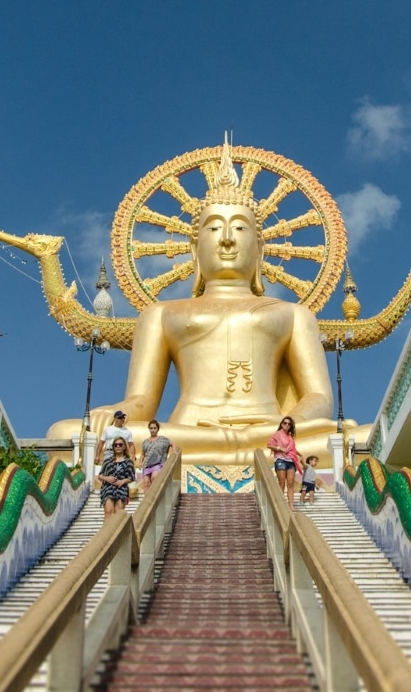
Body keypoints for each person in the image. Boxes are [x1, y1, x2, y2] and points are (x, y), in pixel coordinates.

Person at [75, 139, 339, 464]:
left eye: (240, 228)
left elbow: (319, 398)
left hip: (269, 430)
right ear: (194, 248)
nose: (227, 239)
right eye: (214, 228)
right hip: (189, 431)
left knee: (351, 436)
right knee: (72, 432)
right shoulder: (160, 314)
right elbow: (142, 400)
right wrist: (117, 414)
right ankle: (240, 449)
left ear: (260, 249)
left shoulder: (294, 315)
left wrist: (284, 429)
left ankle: (246, 446)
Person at [267, 416, 300, 509]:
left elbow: (293, 449)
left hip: (290, 460)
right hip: (280, 459)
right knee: (282, 482)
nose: (287, 425)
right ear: (281, 424)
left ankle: (291, 506)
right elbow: (269, 445)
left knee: (290, 484)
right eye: (285, 423)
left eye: (289, 424)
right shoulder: (277, 434)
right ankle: (280, 505)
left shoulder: (290, 437)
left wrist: (300, 454)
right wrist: (279, 448)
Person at [98, 437, 135, 517]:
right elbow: (100, 475)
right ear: (113, 447)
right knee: (108, 512)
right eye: (116, 445)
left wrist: (122, 481)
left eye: (120, 445)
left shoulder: (128, 462)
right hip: (108, 488)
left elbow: (131, 477)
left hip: (121, 489)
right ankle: (107, 529)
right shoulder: (107, 461)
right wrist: (106, 478)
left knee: (118, 514)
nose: (118, 446)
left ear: (124, 446)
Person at [138, 419, 172, 493]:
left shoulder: (163, 439)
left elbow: (172, 443)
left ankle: (155, 499)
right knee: (146, 483)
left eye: (154, 428)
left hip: (158, 463)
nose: (153, 430)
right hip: (147, 464)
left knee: (154, 477)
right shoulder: (145, 442)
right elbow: (142, 454)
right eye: (151, 428)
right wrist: (140, 462)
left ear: (157, 429)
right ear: (149, 429)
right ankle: (146, 502)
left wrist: (175, 451)